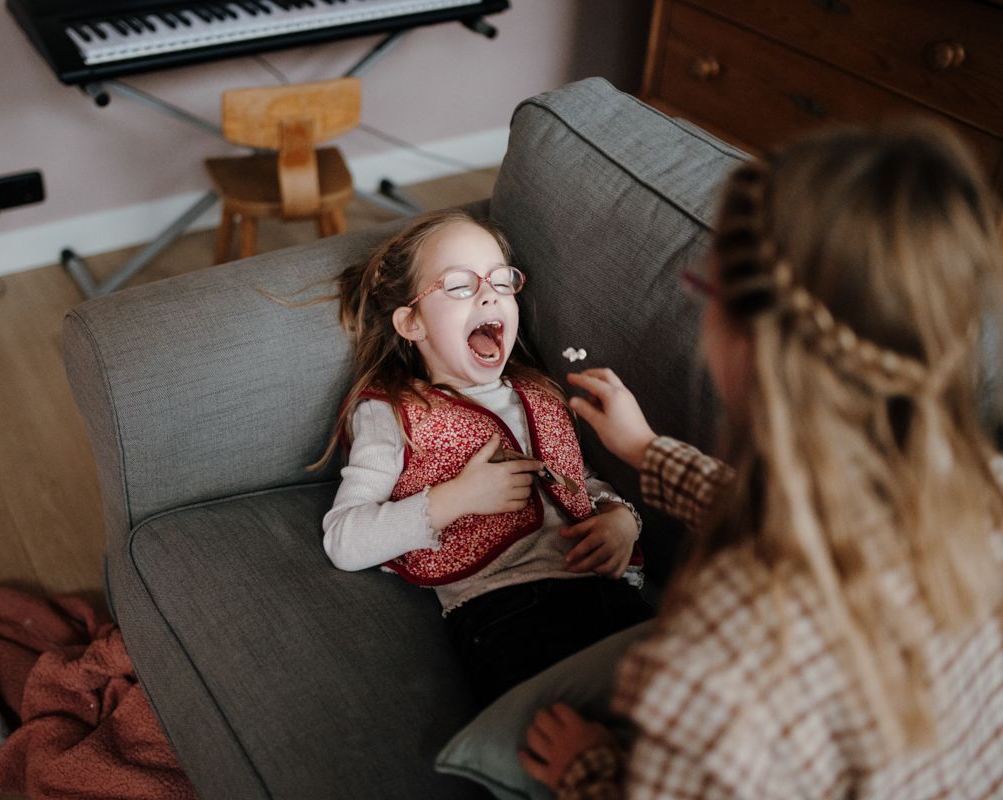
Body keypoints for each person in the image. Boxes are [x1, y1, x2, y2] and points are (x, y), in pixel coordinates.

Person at [519, 121, 1003, 798]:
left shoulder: (723, 674)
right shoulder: (983, 491)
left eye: (705, 291)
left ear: (746, 342)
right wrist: (648, 453)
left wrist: (592, 773)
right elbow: (817, 517)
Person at [318, 209, 653, 707]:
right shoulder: (391, 413)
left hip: (611, 594)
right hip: (508, 611)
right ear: (411, 322)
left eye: (501, 280)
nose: (489, 293)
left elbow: (580, 479)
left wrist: (622, 519)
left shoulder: (540, 393)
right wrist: (454, 499)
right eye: (458, 285)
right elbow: (343, 539)